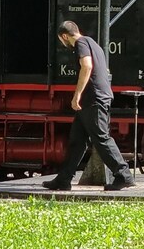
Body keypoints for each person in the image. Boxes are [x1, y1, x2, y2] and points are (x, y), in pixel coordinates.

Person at [43, 21, 136, 192]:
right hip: (93, 100)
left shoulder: (80, 43)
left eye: (62, 40)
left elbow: (86, 66)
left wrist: (77, 94)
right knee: (77, 141)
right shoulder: (93, 43)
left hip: (93, 100)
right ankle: (64, 179)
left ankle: (124, 175)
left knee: (101, 138)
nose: (63, 44)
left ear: (65, 36)